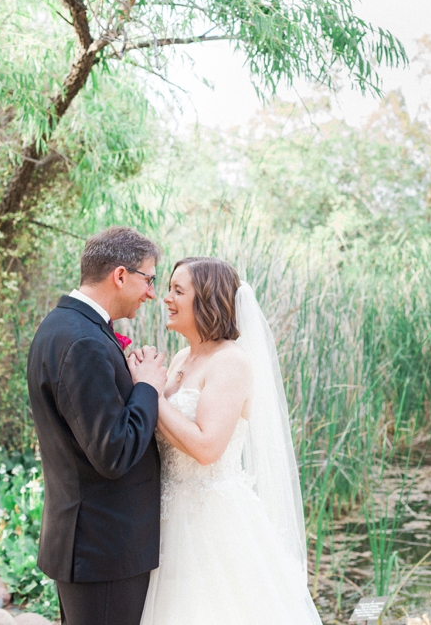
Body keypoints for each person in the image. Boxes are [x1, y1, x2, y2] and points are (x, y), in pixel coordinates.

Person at [137, 257, 323, 624]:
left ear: (206, 299)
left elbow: (207, 448)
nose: (166, 298)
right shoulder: (180, 358)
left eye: (178, 290)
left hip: (212, 523)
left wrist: (149, 392)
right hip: (168, 516)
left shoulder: (231, 361)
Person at [27, 227, 169, 625]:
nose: (152, 293)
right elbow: (114, 452)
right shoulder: (84, 342)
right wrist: (147, 389)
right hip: (104, 548)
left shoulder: (65, 327)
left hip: (93, 544)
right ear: (120, 275)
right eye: (149, 279)